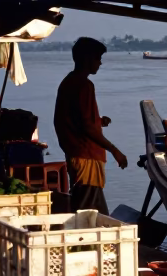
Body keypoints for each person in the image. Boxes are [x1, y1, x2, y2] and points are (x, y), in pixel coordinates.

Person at [53, 37, 127, 214]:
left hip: (77, 153)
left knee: (89, 206)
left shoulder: (68, 82)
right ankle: (84, 241)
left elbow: (73, 118)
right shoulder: (84, 85)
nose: (100, 63)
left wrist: (98, 121)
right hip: (86, 155)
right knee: (88, 210)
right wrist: (114, 150)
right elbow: (87, 126)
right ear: (87, 59)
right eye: (98, 58)